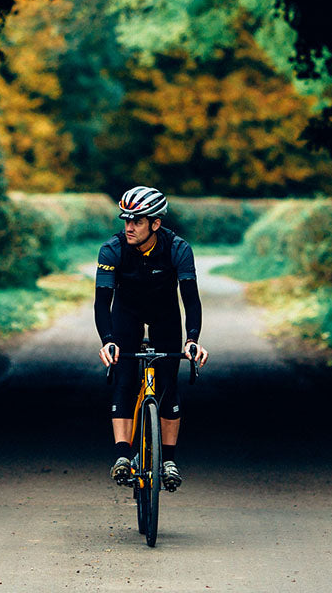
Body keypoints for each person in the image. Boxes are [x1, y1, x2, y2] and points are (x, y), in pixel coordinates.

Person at [95, 185, 208, 490]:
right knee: (125, 378)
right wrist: (108, 341)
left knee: (169, 384)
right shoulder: (112, 250)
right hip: (126, 314)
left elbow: (191, 301)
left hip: (164, 316)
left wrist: (192, 340)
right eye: (126, 220)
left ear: (155, 223)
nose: (129, 227)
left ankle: (168, 460)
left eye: (138, 221)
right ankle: (122, 456)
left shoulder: (178, 248)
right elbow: (101, 303)